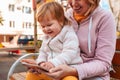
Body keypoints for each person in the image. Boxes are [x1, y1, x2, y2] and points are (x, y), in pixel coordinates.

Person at [44, 0, 116, 80]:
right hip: (64, 71)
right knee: (32, 75)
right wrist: (41, 63)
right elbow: (53, 44)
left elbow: (103, 62)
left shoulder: (105, 18)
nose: (74, 3)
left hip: (94, 76)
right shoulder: (66, 16)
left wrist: (74, 70)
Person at [22, 1, 82, 80]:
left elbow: (69, 53)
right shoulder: (47, 37)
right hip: (51, 71)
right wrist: (41, 63)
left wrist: (53, 63)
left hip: (67, 70)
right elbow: (43, 52)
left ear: (60, 21)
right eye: (42, 26)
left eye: (49, 25)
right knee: (31, 76)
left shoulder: (68, 34)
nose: (46, 29)